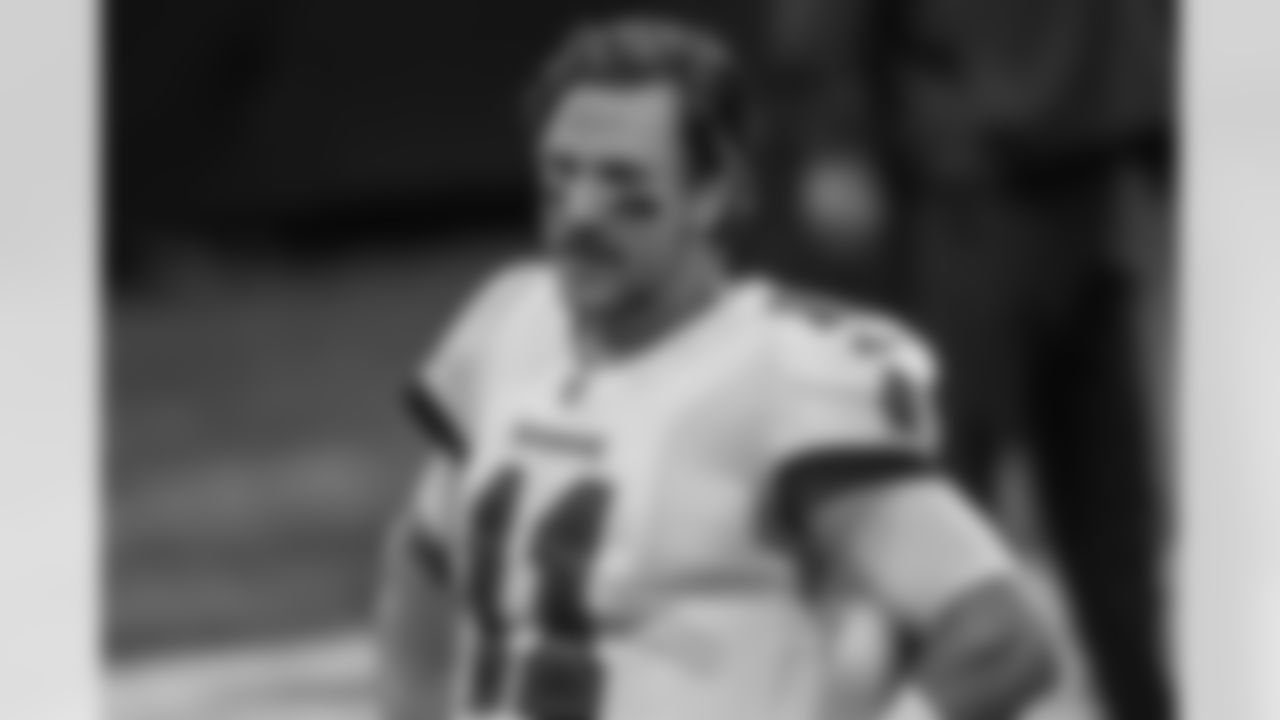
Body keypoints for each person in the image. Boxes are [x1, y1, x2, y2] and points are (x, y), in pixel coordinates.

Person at [377, 16, 1056, 720]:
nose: (579, 213)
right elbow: (425, 555)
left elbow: (1003, 639)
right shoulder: (507, 323)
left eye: (622, 181)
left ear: (712, 193)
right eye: (562, 174)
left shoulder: (784, 373)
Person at [763, 0, 1175, 718]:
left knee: (1115, 520)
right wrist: (835, 135)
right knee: (949, 503)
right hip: (969, 172)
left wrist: (1167, 120)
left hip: (1092, 167)